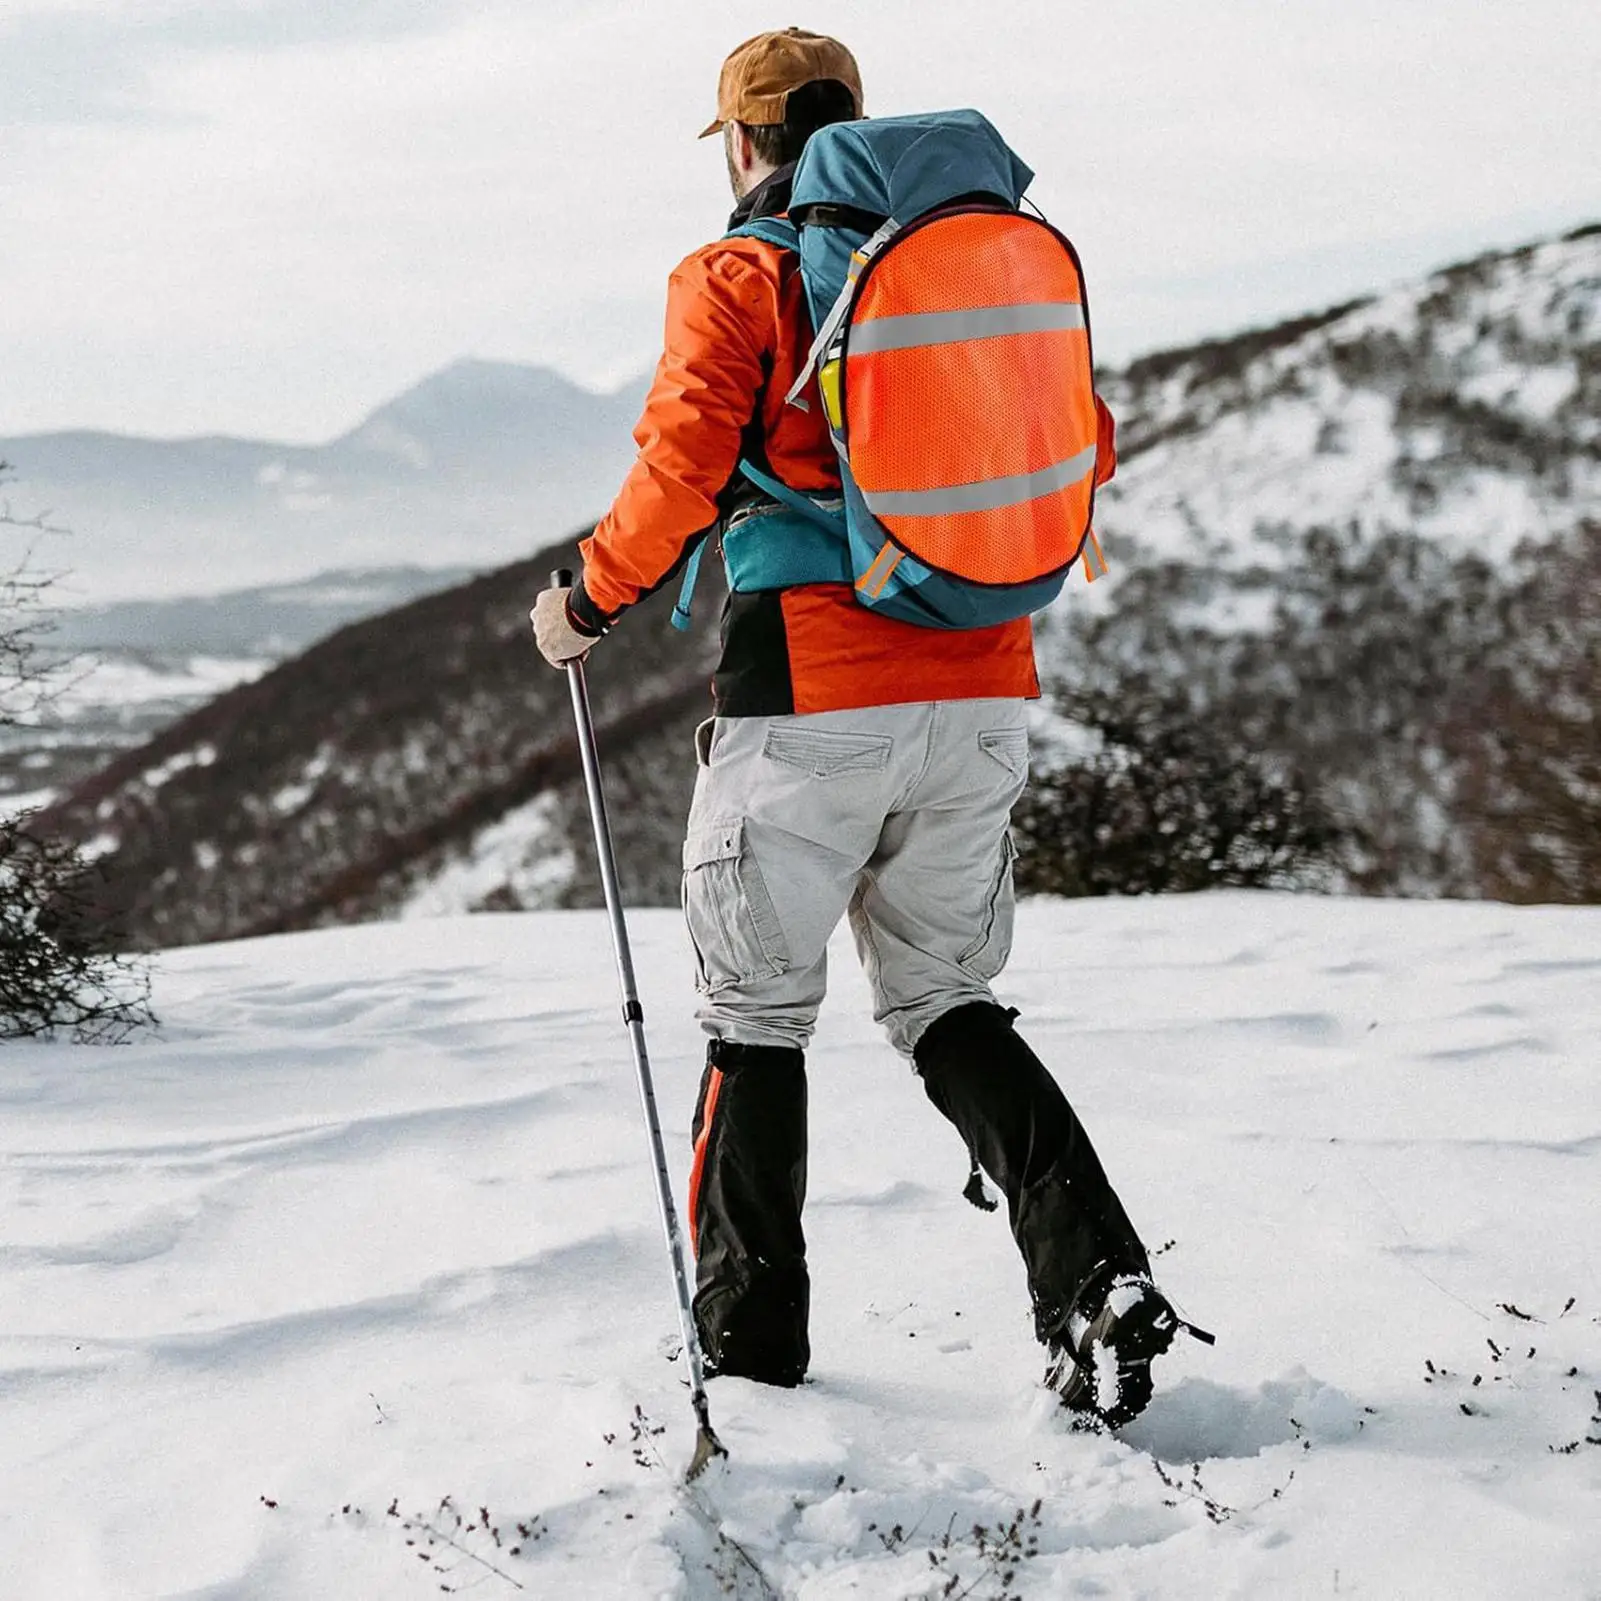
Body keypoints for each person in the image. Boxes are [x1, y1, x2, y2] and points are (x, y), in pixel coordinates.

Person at [532, 27, 1201, 1428]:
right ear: (852, 120)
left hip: (804, 695)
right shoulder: (959, 262)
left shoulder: (739, 273)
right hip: (981, 682)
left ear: (737, 140)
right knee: (950, 1003)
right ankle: (1096, 1282)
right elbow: (1088, 438)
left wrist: (588, 602)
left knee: (755, 1015)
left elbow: (683, 460)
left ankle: (753, 1348)